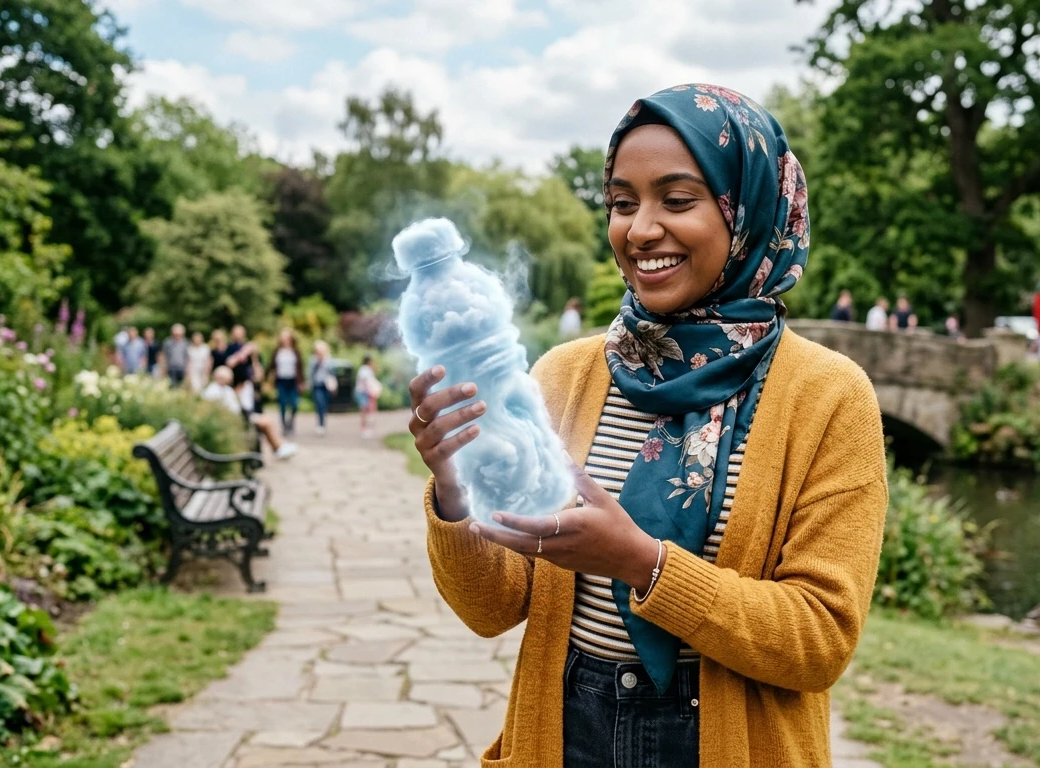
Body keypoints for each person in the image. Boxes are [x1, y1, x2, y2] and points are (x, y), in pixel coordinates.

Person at [408, 85, 887, 767]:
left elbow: (819, 641)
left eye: (678, 200)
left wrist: (642, 564)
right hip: (567, 737)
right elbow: (491, 608)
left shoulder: (828, 396)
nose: (639, 230)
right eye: (622, 202)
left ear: (747, 211)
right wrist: (456, 491)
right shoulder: (563, 376)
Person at [202, 366, 296, 459]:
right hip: (233, 420)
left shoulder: (226, 389)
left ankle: (280, 446)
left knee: (267, 419)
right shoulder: (212, 391)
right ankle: (278, 447)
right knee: (265, 422)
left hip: (239, 416)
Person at [268, 329, 303, 437]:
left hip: (293, 381)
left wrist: (301, 382)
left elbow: (300, 368)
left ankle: (290, 422)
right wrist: (267, 379)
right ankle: (284, 425)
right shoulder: (277, 351)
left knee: (294, 403)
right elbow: (271, 366)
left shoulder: (295, 352)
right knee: (282, 403)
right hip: (281, 381)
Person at [309, 340, 335, 436]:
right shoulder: (313, 360)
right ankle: (320, 424)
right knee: (319, 403)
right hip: (317, 385)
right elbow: (310, 373)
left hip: (326, 385)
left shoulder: (328, 359)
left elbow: (332, 373)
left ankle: (322, 423)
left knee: (324, 404)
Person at [355, 354, 382, 438]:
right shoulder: (364, 370)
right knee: (365, 411)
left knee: (367, 411)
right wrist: (372, 391)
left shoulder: (366, 370)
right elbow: (366, 382)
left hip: (365, 392)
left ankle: (366, 429)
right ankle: (364, 429)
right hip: (364, 393)